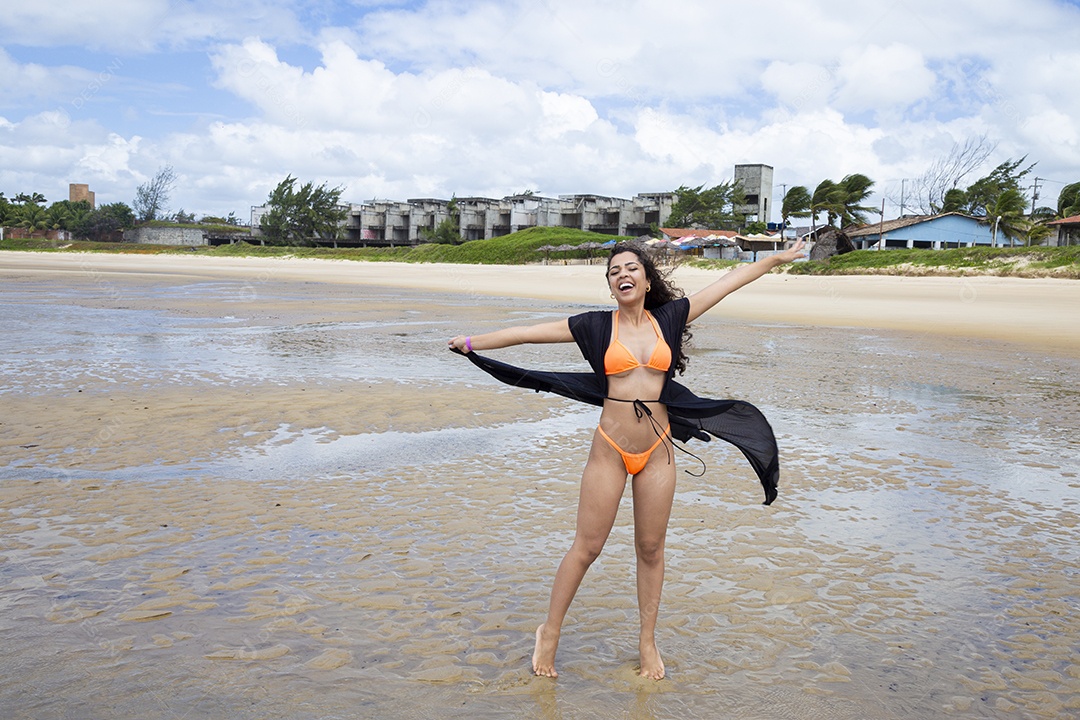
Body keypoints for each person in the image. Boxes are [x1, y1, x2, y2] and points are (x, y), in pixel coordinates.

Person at [448, 239, 806, 680]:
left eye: (631, 267)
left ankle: (647, 641)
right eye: (615, 270)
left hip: (657, 451)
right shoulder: (595, 327)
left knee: (651, 549)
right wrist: (470, 342)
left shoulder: (670, 318)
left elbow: (728, 282)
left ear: (646, 277)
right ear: (611, 285)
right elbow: (525, 333)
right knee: (588, 547)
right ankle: (550, 632)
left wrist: (776, 258)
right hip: (610, 451)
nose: (623, 274)